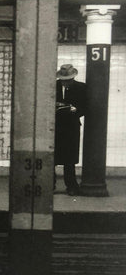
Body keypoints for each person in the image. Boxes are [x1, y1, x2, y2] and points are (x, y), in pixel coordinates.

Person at [55, 64, 87, 196]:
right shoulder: (53, 86)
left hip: (71, 126)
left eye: (68, 80)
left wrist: (76, 111)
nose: (66, 82)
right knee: (53, 156)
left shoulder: (82, 88)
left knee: (70, 158)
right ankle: (50, 184)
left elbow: (86, 106)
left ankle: (71, 185)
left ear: (73, 78)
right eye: (64, 80)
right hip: (55, 126)